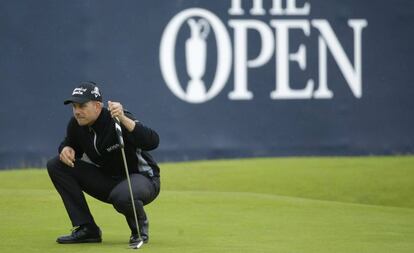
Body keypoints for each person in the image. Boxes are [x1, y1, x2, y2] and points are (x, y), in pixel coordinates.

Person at [47, 81, 160, 245]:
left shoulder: (116, 119)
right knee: (57, 165)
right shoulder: (76, 125)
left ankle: (139, 231)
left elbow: (152, 141)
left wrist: (122, 118)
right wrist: (66, 149)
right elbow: (70, 144)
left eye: (82, 106)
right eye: (74, 107)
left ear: (97, 106)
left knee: (122, 195)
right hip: (108, 181)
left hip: (143, 179)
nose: (77, 112)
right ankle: (87, 229)